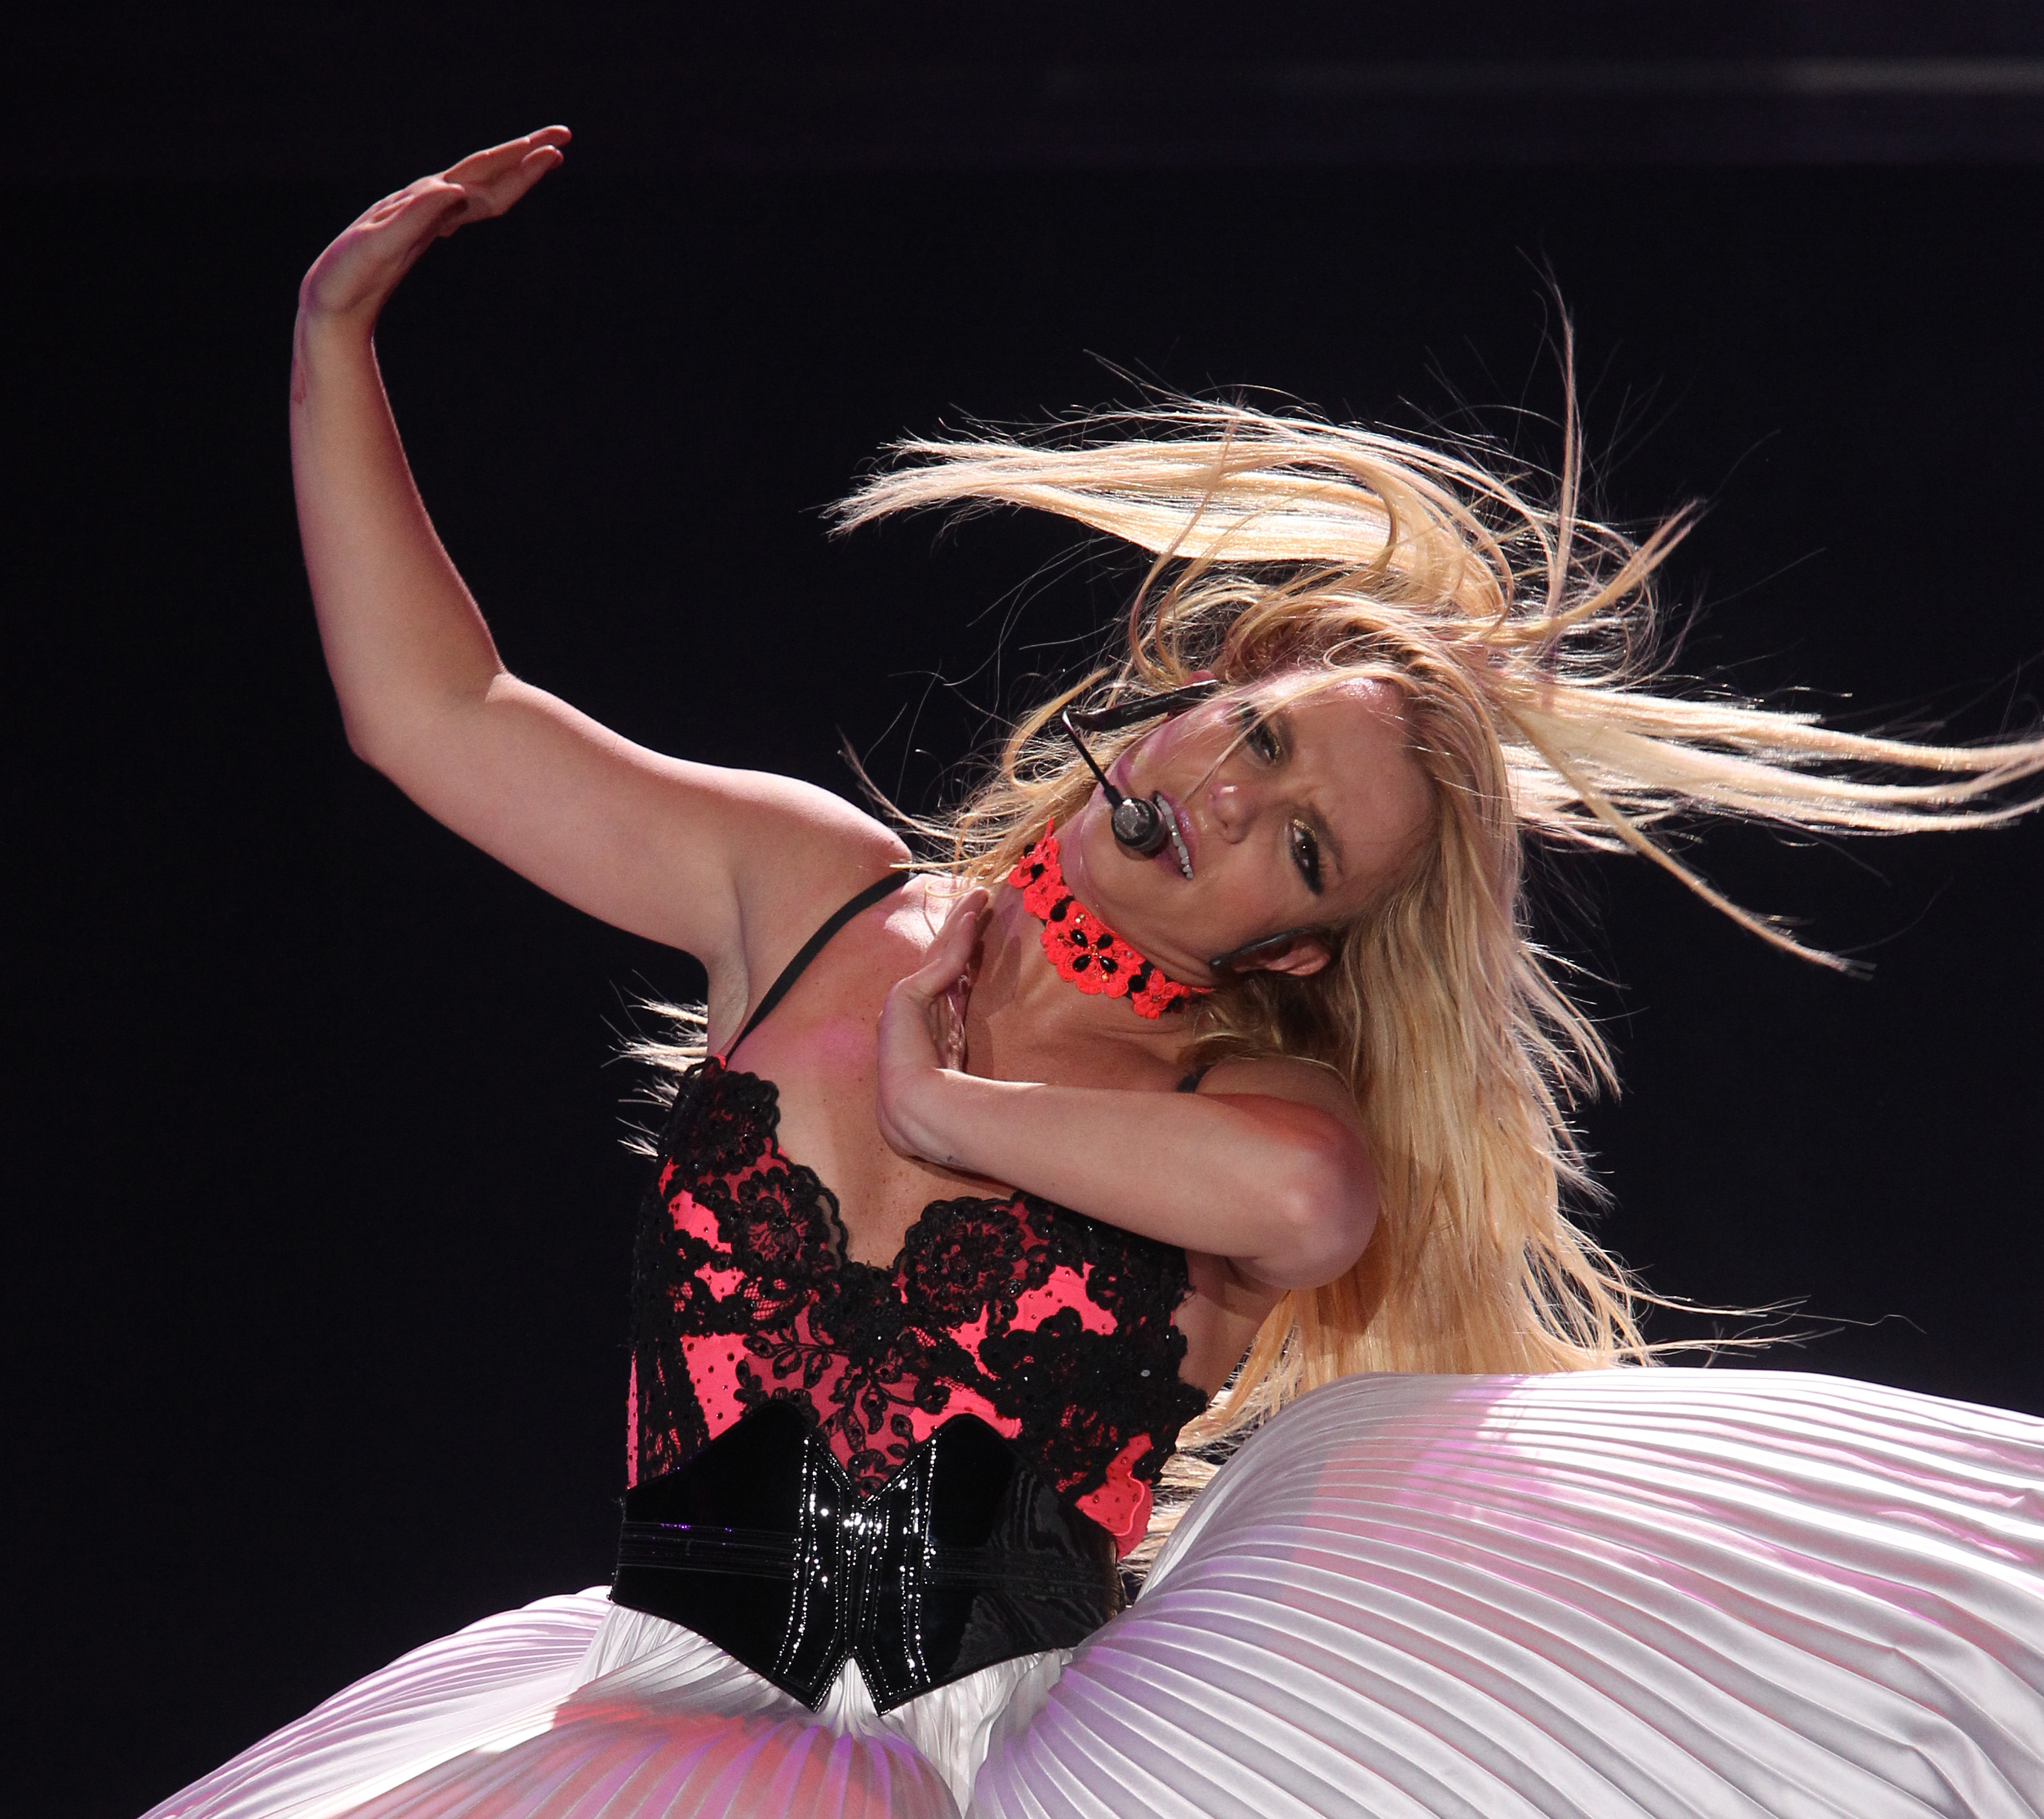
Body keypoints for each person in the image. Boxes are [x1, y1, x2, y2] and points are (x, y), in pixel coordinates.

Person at [148, 130, 2044, 1819]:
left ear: (1292, 945)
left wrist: (944, 1105)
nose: (1232, 799)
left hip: (977, 1768)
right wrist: (333, 336)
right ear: (1194, 697)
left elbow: (1314, 1206)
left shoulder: (1238, 1096)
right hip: (625, 1732)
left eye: (1303, 844)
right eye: (1259, 739)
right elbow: (440, 714)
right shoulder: (815, 895)